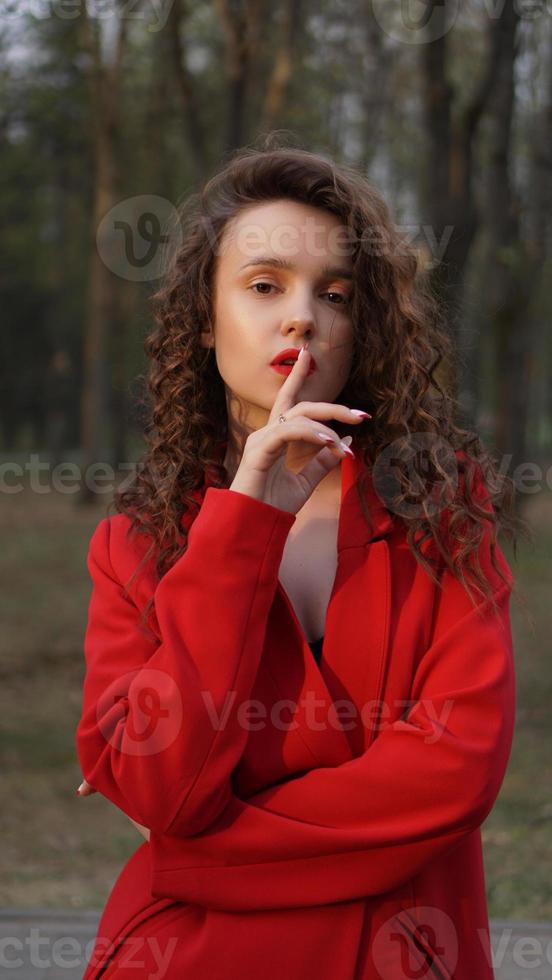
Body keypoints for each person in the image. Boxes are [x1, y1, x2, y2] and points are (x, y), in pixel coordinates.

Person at [75, 138, 522, 979]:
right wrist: (245, 519)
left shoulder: (442, 514)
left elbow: (454, 775)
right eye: (264, 285)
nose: (302, 316)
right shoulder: (134, 543)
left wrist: (191, 852)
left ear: (367, 327)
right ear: (204, 319)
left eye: (337, 293)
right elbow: (161, 785)